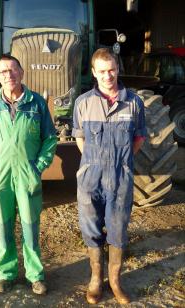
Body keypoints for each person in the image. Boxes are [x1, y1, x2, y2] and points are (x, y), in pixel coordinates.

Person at [0, 54, 57, 295]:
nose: (8, 75)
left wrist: (38, 166)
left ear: (21, 72)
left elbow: (50, 139)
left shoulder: (36, 103)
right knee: (4, 228)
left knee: (30, 228)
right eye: (2, 71)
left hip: (27, 176)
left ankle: (35, 276)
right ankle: (6, 274)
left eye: (12, 69)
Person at [72, 48, 146, 305]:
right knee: (91, 226)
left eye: (111, 69)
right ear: (93, 73)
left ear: (118, 68)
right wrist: (92, 163)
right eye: (102, 71)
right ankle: (96, 279)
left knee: (117, 228)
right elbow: (80, 138)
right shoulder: (83, 103)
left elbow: (138, 138)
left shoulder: (134, 102)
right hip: (91, 176)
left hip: (120, 176)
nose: (108, 75)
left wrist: (121, 162)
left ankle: (114, 281)